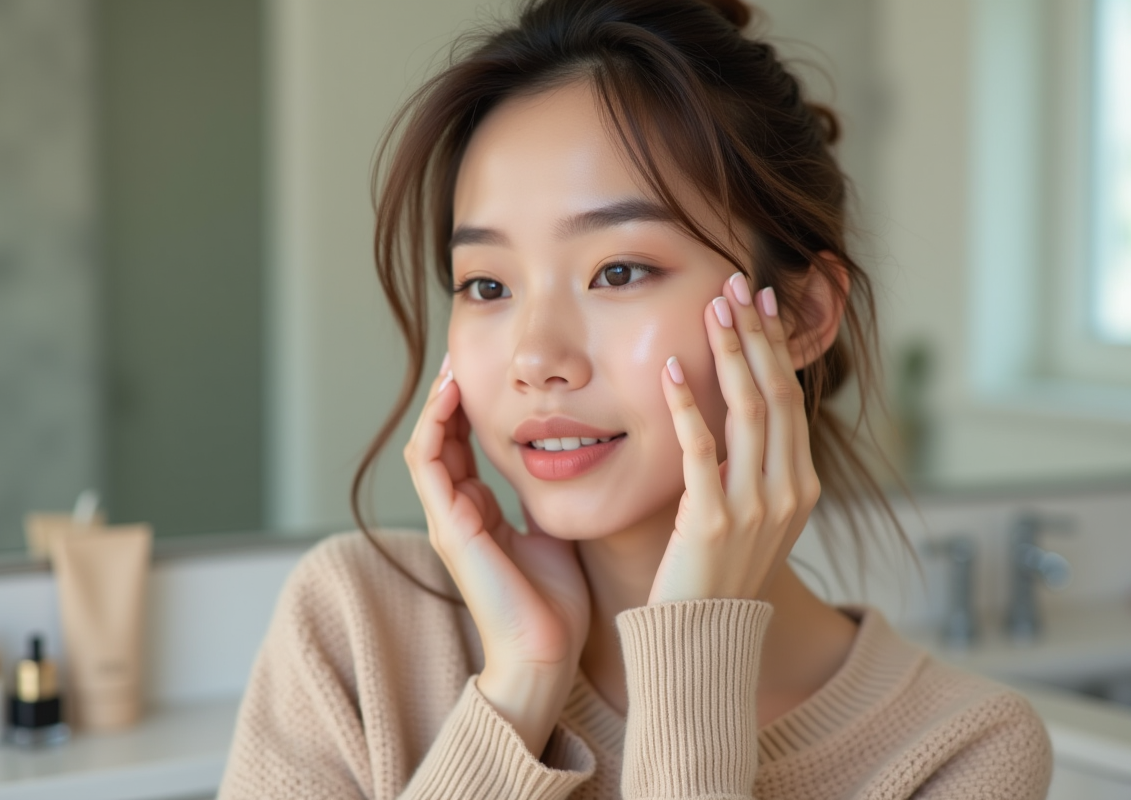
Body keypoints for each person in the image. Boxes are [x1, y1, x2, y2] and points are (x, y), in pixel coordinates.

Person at [219, 1, 1053, 797]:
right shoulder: (359, 632)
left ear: (799, 315)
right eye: (485, 283)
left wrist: (693, 660)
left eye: (618, 272)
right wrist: (518, 691)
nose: (536, 357)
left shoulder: (961, 754)